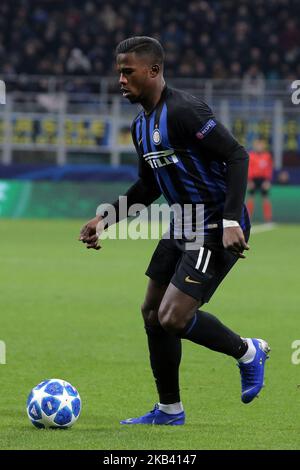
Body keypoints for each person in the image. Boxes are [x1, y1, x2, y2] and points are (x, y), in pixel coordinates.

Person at [79, 36, 270, 425]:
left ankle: (248, 351)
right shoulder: (140, 125)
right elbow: (148, 187)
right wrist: (104, 219)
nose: (121, 80)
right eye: (119, 72)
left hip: (214, 222)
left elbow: (236, 155)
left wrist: (231, 219)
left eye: (127, 72)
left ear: (153, 71)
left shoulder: (185, 111)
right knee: (151, 311)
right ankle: (169, 410)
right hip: (181, 222)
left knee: (173, 318)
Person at [247, 138, 273, 223]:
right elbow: (249, 168)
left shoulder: (267, 156)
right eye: (257, 145)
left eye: (261, 145)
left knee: (265, 198)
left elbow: (269, 169)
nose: (259, 147)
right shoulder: (251, 155)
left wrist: (267, 180)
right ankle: (247, 218)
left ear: (264, 146)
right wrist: (250, 180)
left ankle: (268, 219)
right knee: (250, 198)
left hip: (263, 179)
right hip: (253, 179)